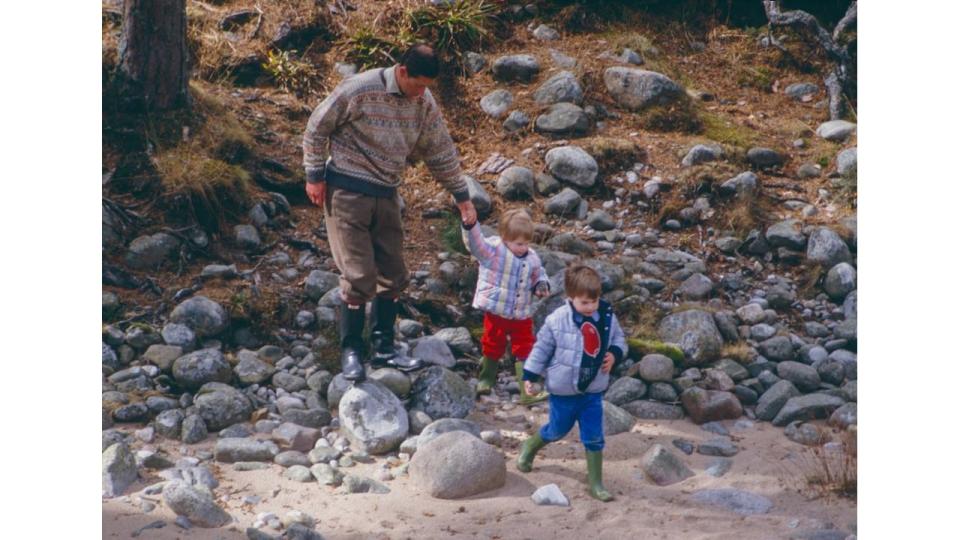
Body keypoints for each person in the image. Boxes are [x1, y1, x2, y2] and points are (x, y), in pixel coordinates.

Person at [303, 44, 477, 383]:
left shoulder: (423, 101)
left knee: (394, 272)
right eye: (418, 84)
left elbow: (440, 149)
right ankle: (351, 350)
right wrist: (314, 176)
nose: (422, 92)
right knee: (357, 275)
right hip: (347, 189)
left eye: (428, 86)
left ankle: (384, 347)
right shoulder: (359, 89)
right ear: (401, 72)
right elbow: (316, 127)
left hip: (387, 191)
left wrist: (461, 196)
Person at [516, 264, 627, 502]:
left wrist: (615, 353)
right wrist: (530, 375)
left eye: (594, 301)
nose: (590, 307)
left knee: (594, 436)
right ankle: (531, 446)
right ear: (570, 298)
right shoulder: (557, 320)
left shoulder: (606, 316)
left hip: (593, 389)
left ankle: (596, 483)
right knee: (557, 430)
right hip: (563, 390)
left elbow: (619, 338)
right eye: (584, 302)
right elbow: (541, 348)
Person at [461, 209, 551, 403]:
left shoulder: (532, 257)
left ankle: (527, 390)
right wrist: (470, 226)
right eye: (519, 243)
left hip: (521, 314)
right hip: (497, 311)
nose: (523, 247)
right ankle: (485, 380)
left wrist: (540, 285)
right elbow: (475, 245)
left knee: (526, 348)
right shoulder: (493, 251)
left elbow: (539, 273)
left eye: (527, 243)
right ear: (504, 238)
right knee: (492, 343)